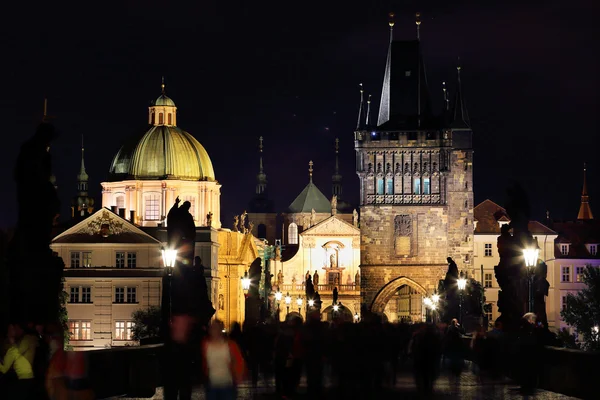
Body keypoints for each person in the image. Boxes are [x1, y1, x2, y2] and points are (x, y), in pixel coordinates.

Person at [201, 320, 245, 400]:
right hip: (212, 385)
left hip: (227, 384)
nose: (214, 330)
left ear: (220, 329)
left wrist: (238, 375)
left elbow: (238, 360)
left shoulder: (230, 345)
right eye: (212, 327)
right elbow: (203, 362)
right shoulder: (205, 345)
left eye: (216, 328)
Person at [0, 324, 35, 399]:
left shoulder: (22, 342)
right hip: (24, 378)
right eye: (12, 329)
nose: (16, 329)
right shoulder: (12, 348)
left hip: (24, 378)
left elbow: (4, 369)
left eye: (15, 328)